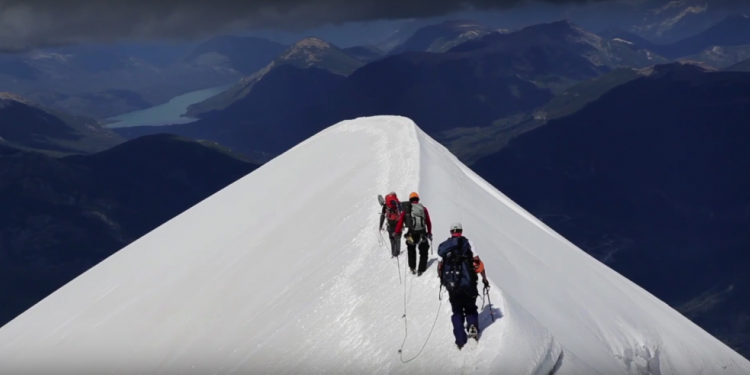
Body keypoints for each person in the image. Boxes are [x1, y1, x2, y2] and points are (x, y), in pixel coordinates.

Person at [437, 222, 490, 350]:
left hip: (452, 285)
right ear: (461, 230)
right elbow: (477, 261)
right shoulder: (468, 243)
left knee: (457, 311)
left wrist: (443, 280)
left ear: (451, 232)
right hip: (468, 283)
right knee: (470, 308)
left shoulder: (444, 246)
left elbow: (440, 267)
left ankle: (460, 340)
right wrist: (484, 279)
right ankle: (472, 328)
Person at [395, 192, 432, 276]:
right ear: (418, 199)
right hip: (423, 233)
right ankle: (421, 269)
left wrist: (397, 232)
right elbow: (428, 222)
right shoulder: (423, 208)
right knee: (424, 251)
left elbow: (400, 222)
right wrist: (429, 232)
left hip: (412, 233)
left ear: (410, 200)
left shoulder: (407, 210)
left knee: (411, 249)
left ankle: (412, 267)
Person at [379, 191, 403, 257]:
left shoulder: (385, 205)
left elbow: (382, 216)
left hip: (390, 224)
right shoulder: (398, 203)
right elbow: (403, 213)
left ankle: (393, 253)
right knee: (398, 238)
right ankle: (398, 252)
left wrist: (380, 226)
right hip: (398, 224)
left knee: (392, 239)